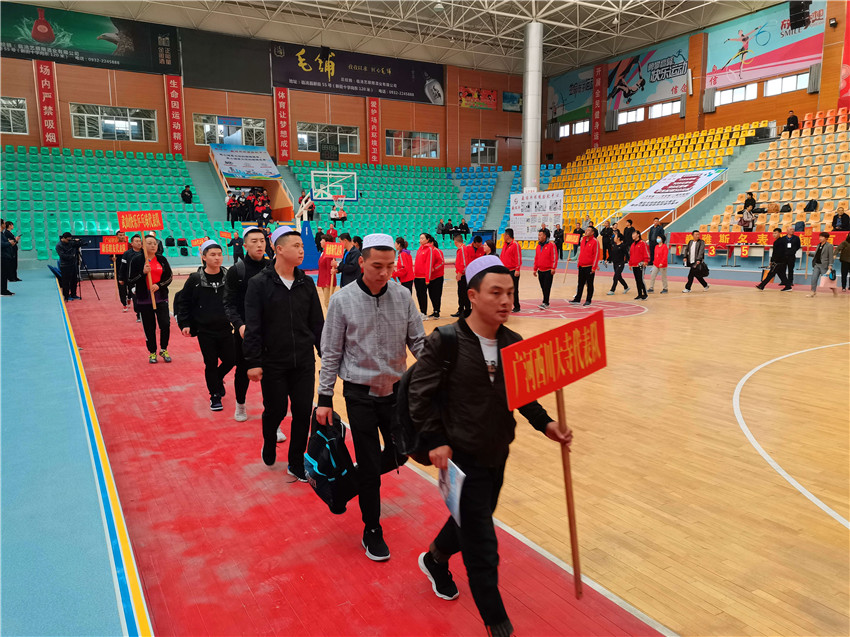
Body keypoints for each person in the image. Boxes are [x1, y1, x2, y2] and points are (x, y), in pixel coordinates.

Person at [409, 255, 572, 637]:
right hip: (460, 459)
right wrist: (436, 440)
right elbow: (419, 395)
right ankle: (498, 625)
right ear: (472, 295)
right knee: (482, 544)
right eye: (496, 292)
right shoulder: (446, 341)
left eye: (510, 293)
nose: (505, 301)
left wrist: (546, 424)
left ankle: (435, 558)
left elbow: (522, 395)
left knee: (470, 518)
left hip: (497, 453)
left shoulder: (513, 343)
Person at [316, 233, 425, 562]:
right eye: (377, 266)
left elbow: (419, 343)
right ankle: (372, 528)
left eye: (390, 266)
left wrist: (440, 374)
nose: (384, 273)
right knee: (368, 459)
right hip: (359, 393)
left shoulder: (403, 296)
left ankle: (346, 486)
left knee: (401, 453)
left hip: (395, 392)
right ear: (361, 262)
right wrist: (324, 398)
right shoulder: (342, 300)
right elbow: (331, 352)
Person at [243, 227, 324, 478]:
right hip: (273, 361)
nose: (302, 251)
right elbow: (253, 325)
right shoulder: (258, 284)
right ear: (279, 249)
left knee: (302, 411)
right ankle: (269, 440)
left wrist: (326, 354)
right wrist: (253, 361)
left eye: (302, 246)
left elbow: (317, 323)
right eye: (296, 246)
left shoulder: (306, 283)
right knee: (275, 410)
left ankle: (296, 462)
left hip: (303, 361)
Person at [176, 240, 235, 411]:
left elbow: (236, 299)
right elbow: (184, 302)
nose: (217, 258)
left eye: (219, 254)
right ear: (203, 257)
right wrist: (185, 323)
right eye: (212, 255)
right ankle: (215, 395)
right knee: (210, 363)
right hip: (205, 330)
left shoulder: (228, 277)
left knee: (232, 359)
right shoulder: (195, 279)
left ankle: (217, 378)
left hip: (225, 328)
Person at [223, 227, 271, 423]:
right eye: (254, 241)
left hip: (269, 331)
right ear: (245, 245)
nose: (259, 244)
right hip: (244, 331)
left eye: (262, 240)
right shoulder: (237, 271)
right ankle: (240, 404)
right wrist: (239, 325)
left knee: (271, 373)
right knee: (242, 370)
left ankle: (271, 415)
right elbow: (229, 303)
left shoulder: (272, 267)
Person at [128, 234, 173, 363]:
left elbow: (169, 277)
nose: (153, 245)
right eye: (149, 243)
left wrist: (159, 285)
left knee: (165, 324)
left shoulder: (162, 259)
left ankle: (164, 349)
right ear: (142, 246)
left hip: (161, 297)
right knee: (149, 327)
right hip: (144, 299)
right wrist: (142, 273)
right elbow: (130, 279)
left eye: (154, 243)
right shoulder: (136, 260)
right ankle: (152, 352)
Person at [570, 226, 599, 306]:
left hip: (589, 266)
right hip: (581, 266)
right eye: (586, 230)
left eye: (588, 230)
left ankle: (588, 300)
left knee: (589, 284)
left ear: (592, 232)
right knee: (580, 283)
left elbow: (596, 255)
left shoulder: (595, 241)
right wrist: (579, 263)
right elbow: (581, 253)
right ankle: (577, 299)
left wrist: (594, 267)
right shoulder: (582, 240)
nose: (586, 231)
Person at [533, 229, 557, 309]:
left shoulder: (551, 245)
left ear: (545, 236)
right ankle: (545, 300)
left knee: (547, 287)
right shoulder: (538, 246)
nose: (539, 237)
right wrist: (535, 269)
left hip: (548, 270)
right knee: (543, 287)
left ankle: (545, 302)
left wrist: (553, 268)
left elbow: (554, 257)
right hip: (540, 270)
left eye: (540, 235)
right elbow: (536, 258)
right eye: (538, 235)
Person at [118, 234, 143, 313]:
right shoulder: (127, 254)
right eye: (136, 241)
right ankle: (125, 304)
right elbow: (123, 266)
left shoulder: (144, 252)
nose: (139, 243)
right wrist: (121, 278)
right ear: (132, 243)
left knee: (137, 295)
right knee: (126, 292)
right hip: (129, 277)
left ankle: (139, 313)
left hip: (140, 278)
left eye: (140, 241)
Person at [807, 232, 836, 297]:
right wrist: (810, 254)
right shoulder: (818, 245)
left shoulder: (829, 246)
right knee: (814, 279)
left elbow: (831, 256)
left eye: (822, 237)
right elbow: (817, 254)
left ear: (826, 238)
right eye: (820, 237)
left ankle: (834, 290)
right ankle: (813, 292)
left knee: (827, 280)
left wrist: (830, 265)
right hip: (817, 265)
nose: (820, 238)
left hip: (824, 266)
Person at [499, 228, 522, 313]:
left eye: (504, 235)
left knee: (514, 289)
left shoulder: (515, 245)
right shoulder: (505, 244)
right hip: (505, 271)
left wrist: (517, 269)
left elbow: (518, 257)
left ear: (508, 236)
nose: (503, 237)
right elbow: (502, 256)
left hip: (513, 271)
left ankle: (517, 306)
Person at [413, 233, 435, 318]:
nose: (420, 240)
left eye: (422, 238)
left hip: (423, 277)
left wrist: (427, 278)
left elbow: (429, 264)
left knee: (423, 295)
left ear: (427, 240)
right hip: (417, 276)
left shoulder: (429, 249)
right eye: (420, 238)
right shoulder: (420, 248)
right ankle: (422, 312)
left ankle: (424, 313)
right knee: (418, 295)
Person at [452, 234, 474, 317]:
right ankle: (461, 309)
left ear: (455, 242)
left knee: (463, 293)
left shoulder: (462, 249)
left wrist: (460, 273)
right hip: (462, 274)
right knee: (461, 293)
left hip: (464, 275)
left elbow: (464, 263)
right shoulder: (461, 249)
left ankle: (466, 310)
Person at [56, 232, 81, 301]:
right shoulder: (59, 245)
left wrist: (77, 242)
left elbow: (78, 245)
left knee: (74, 280)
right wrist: (72, 256)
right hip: (65, 265)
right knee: (66, 282)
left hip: (73, 264)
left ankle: (73, 294)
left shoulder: (70, 242)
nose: (69, 241)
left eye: (70, 239)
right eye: (68, 239)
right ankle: (66, 296)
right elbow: (62, 255)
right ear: (63, 238)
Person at [427, 235, 446, 319]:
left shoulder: (437, 251)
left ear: (431, 243)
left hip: (437, 276)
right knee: (431, 294)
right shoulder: (427, 251)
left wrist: (434, 268)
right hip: (430, 277)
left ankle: (437, 311)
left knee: (437, 294)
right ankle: (434, 309)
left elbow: (441, 262)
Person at [317, 236, 338, 309]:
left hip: (327, 281)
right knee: (327, 302)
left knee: (328, 302)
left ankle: (332, 316)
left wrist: (328, 282)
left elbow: (330, 268)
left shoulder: (329, 253)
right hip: (323, 280)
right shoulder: (323, 252)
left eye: (322, 240)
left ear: (327, 242)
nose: (320, 242)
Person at [628, 230, 649, 300]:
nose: (632, 235)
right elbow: (631, 255)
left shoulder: (643, 243)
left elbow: (646, 252)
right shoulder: (632, 244)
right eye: (632, 234)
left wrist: (646, 261)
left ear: (638, 235)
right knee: (637, 280)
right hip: (634, 265)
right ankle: (639, 294)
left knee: (641, 279)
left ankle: (645, 294)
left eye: (634, 234)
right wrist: (630, 263)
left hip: (640, 264)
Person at [0, 230, 14, 296]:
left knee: (5, 275)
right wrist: (9, 243)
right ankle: (3, 291)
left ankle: (4, 289)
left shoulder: (2, 234)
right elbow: (1, 244)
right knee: (3, 275)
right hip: (2, 256)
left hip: (6, 256)